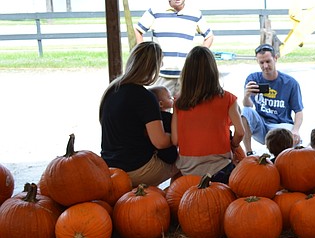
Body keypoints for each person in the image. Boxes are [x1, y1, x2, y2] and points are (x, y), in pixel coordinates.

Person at [99, 41, 177, 187]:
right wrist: (178, 138)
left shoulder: (112, 90)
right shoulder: (145, 97)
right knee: (186, 163)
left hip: (109, 166)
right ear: (154, 67)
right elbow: (160, 141)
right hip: (135, 169)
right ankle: (173, 201)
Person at [171, 46, 244, 184]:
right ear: (213, 71)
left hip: (188, 172)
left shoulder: (179, 102)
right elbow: (240, 132)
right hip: (220, 170)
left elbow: (175, 140)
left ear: (187, 74)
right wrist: (233, 145)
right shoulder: (228, 99)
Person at [134, 0, 214, 96]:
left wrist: (197, 59)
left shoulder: (195, 14)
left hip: (185, 75)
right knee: (159, 109)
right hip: (161, 74)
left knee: (184, 110)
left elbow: (209, 36)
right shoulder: (155, 11)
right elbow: (138, 30)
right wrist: (147, 56)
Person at [241, 43, 304, 155]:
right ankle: (249, 153)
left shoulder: (290, 83)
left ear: (275, 59)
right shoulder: (253, 79)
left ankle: (284, 160)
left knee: (294, 142)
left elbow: (298, 111)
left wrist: (295, 130)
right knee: (245, 111)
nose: (265, 66)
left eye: (268, 61)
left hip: (281, 126)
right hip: (261, 125)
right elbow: (248, 106)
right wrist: (246, 95)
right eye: (261, 62)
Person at [149, 86, 179, 165]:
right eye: (169, 97)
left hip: (155, 155)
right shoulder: (168, 117)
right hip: (169, 155)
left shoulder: (152, 119)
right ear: (161, 104)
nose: (172, 99)